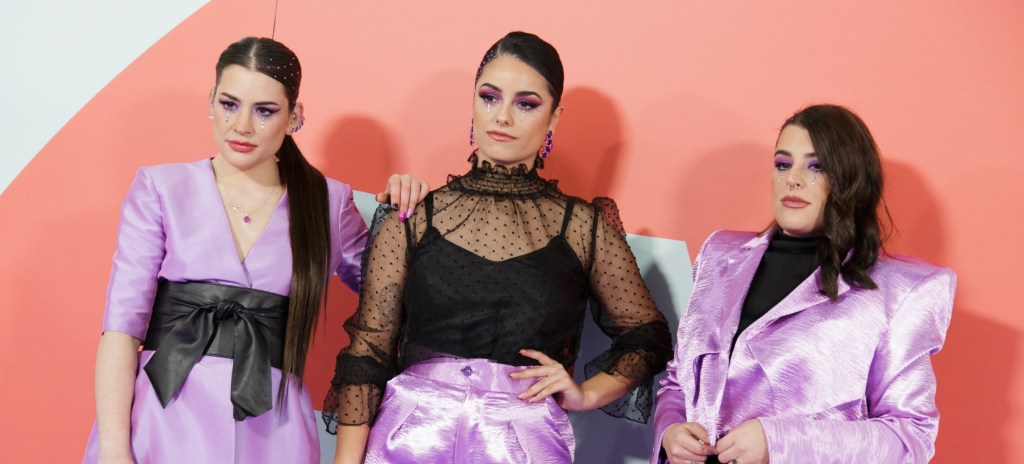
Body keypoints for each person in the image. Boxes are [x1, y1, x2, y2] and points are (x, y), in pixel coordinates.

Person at [323, 31, 674, 463]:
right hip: (410, 441)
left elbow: (647, 337)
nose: (502, 117)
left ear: (554, 117)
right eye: (489, 97)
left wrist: (585, 394)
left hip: (523, 445)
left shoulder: (584, 227)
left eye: (526, 104)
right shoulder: (412, 215)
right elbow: (368, 354)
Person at [83, 37, 428, 463]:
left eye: (264, 111)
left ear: (295, 116)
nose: (242, 126)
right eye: (229, 104)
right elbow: (121, 330)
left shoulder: (327, 202)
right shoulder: (160, 188)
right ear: (211, 101)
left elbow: (396, 301)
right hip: (162, 420)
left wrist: (406, 217)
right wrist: (114, 451)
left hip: (272, 432)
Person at [653, 104, 956, 463]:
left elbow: (910, 437)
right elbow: (680, 379)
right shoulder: (720, 255)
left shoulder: (902, 292)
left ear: (850, 179)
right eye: (783, 164)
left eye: (816, 167)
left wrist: (780, 443)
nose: (793, 179)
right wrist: (670, 431)